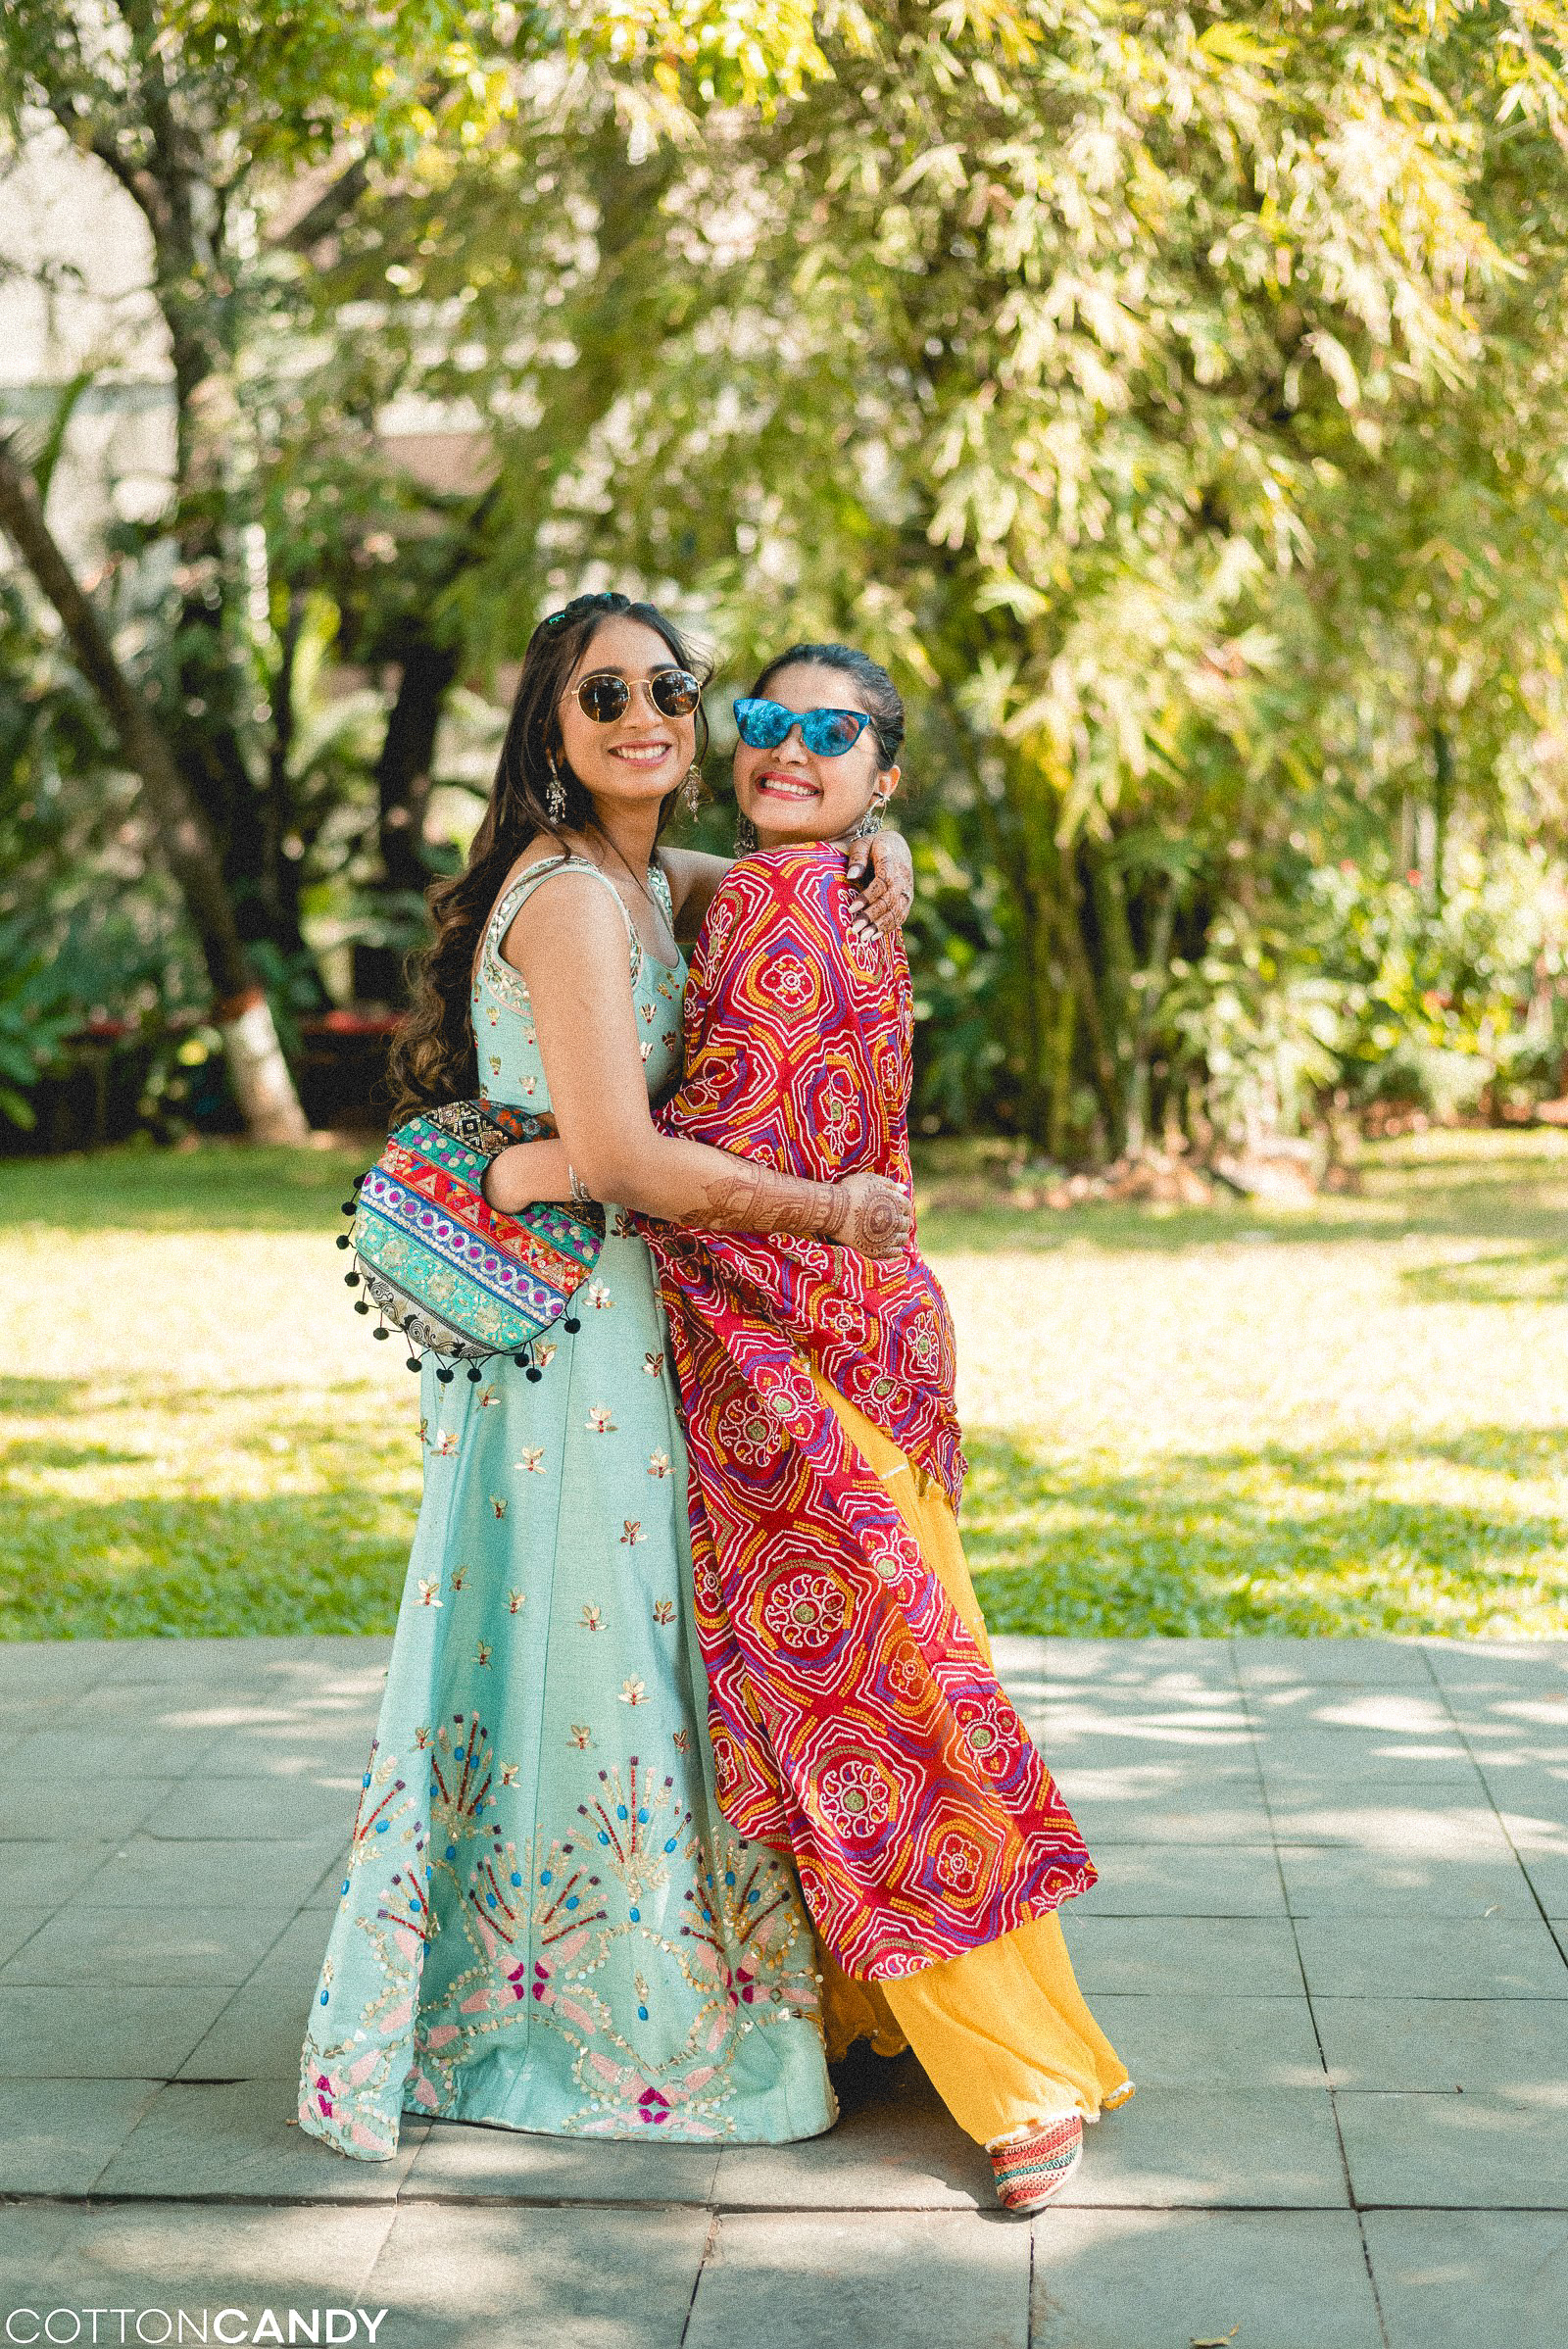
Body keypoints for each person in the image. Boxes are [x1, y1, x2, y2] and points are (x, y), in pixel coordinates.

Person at [489, 643, 1132, 2214]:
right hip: (856, 1347)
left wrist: (521, 1167)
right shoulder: (794, 884)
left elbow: (690, 1156)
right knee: (884, 1688)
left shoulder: (782, 899)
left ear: (882, 767)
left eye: (828, 732)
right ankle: (876, 2009)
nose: (785, 746)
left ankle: (1022, 2078)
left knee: (879, 1715)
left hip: (799, 1367)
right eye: (768, 720)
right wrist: (875, 838)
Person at [297, 591, 915, 2161]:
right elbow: (631, 1160)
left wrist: (879, 847)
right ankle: (574, 2026)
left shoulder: (648, 879)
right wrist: (829, 1211)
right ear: (553, 730)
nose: (645, 715)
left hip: (624, 1316)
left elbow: (778, 869)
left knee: (635, 1649)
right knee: (600, 1655)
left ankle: (646, 1996)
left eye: (670, 688)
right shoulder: (572, 897)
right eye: (604, 695)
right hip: (566, 1342)